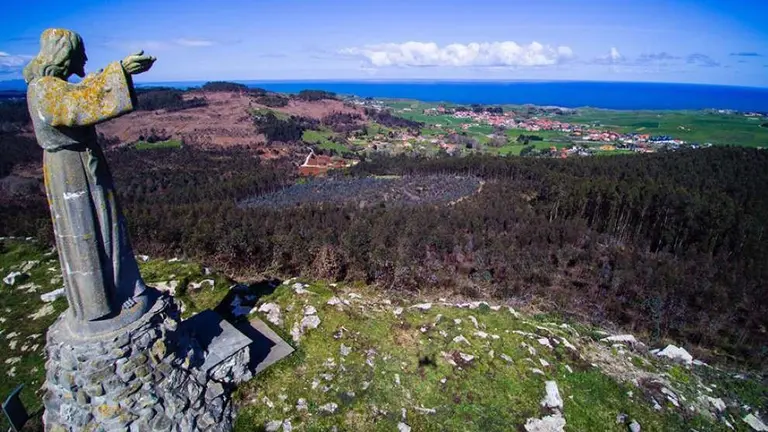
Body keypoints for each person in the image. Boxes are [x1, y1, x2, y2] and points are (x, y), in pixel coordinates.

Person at [24, 28, 157, 326]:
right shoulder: (44, 88)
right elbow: (79, 106)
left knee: (103, 227)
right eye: (79, 52)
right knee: (89, 230)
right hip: (73, 172)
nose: (84, 58)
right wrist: (120, 70)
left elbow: (80, 93)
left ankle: (115, 292)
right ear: (64, 54)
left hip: (81, 165)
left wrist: (120, 71)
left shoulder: (52, 87)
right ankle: (99, 304)